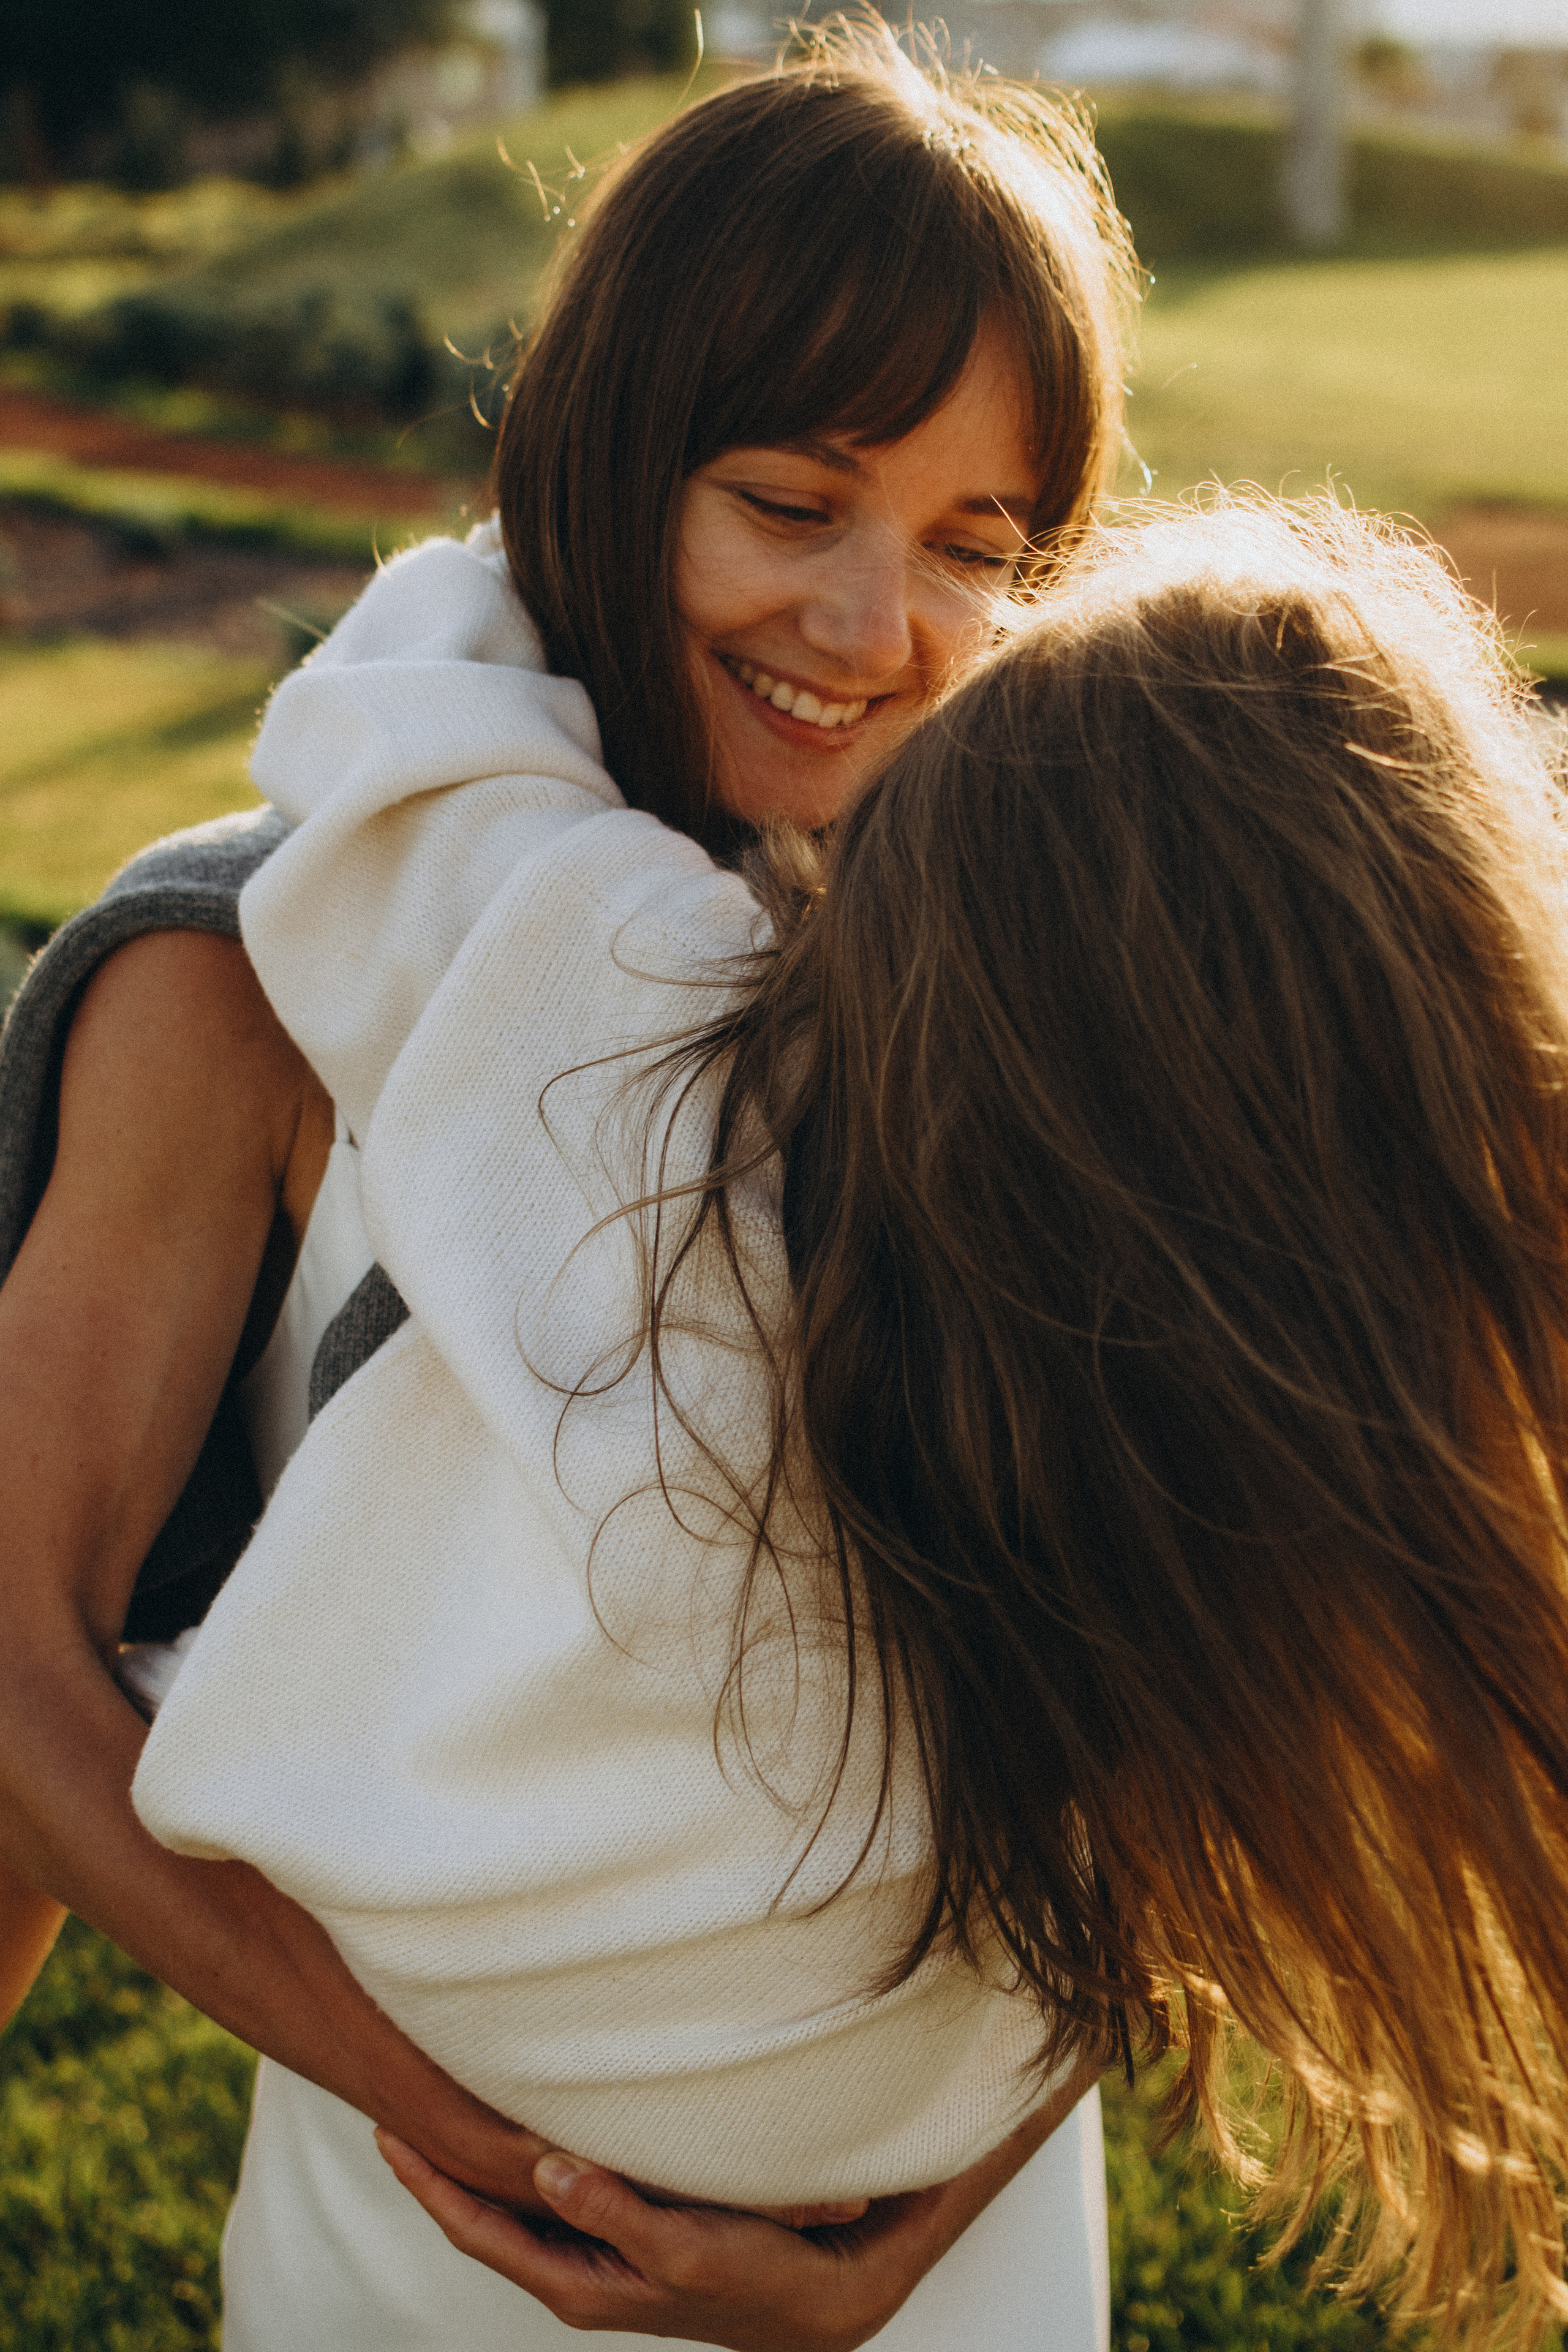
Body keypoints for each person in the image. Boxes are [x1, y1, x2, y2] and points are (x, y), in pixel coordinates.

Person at [137, 492, 1568, 2352]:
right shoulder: (1255, 1386)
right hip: (893, 2138)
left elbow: (419, 759)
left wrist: (535, 539)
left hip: (479, 2041)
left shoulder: (649, 1084)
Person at [0, 18, 1134, 2348]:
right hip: (431, 2250)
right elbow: (13, 1658)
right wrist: (507, 2149)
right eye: (794, 504)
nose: (875, 631)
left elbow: (1215, 1673)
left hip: (957, 2263)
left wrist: (912, 2219)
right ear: (616, 461)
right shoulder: (251, 974)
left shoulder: (1057, 1004)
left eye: (974, 549)